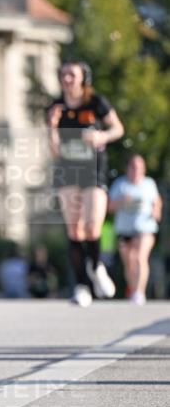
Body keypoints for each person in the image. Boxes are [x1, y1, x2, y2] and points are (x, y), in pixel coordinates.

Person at [47, 59, 124, 307]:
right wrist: (52, 127)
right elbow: (54, 151)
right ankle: (82, 286)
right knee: (74, 230)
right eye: (63, 75)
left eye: (72, 74)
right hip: (68, 171)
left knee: (92, 226)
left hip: (94, 169)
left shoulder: (96, 102)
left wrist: (102, 135)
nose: (67, 79)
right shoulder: (55, 107)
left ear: (84, 78)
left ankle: (97, 266)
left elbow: (118, 129)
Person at [108, 154, 163, 305]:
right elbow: (110, 207)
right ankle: (133, 290)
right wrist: (121, 201)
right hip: (124, 230)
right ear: (128, 168)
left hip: (145, 227)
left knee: (140, 257)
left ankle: (139, 292)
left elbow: (157, 201)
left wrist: (156, 211)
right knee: (129, 262)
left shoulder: (149, 183)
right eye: (133, 166)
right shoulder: (120, 184)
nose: (136, 170)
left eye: (139, 167)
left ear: (143, 169)